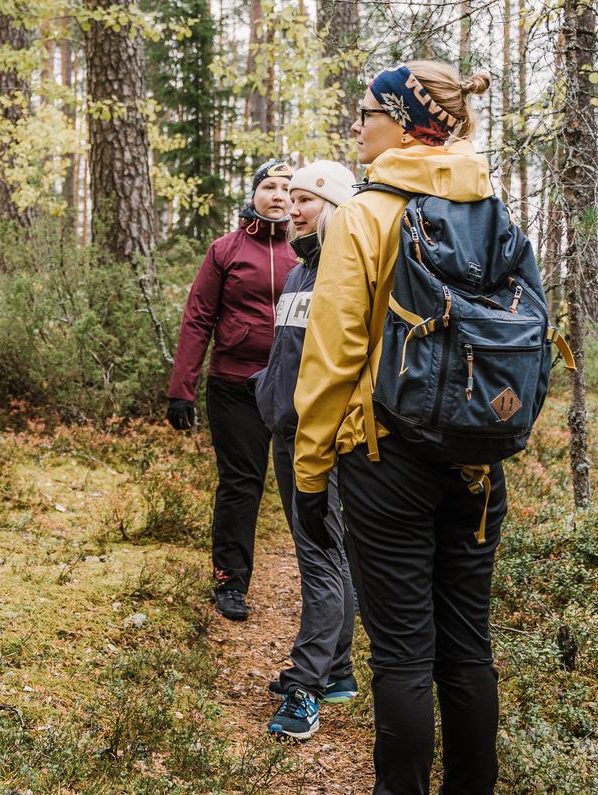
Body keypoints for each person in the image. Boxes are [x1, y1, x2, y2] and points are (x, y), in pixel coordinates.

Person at [291, 63, 499, 793]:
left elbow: (333, 356)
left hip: (386, 459)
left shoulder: (364, 214)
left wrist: (310, 473)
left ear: (406, 122)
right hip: (476, 459)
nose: (356, 125)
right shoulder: (487, 203)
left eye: (367, 111)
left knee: (405, 655)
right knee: (468, 648)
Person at [251, 159, 361, 740]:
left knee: (321, 556)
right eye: (289, 200)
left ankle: (307, 685)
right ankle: (337, 670)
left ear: (335, 206)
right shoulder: (299, 273)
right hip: (288, 431)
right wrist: (266, 391)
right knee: (323, 553)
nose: (292, 210)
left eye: (305, 200)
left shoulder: (346, 274)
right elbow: (289, 354)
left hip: (324, 439)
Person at [168, 159, 299, 622]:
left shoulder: (309, 250)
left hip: (295, 384)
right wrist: (181, 389)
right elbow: (198, 317)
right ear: (254, 194)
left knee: (312, 485)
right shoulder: (225, 250)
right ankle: (230, 582)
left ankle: (332, 584)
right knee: (241, 484)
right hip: (234, 384)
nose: (278, 195)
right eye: (269, 186)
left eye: (287, 188)